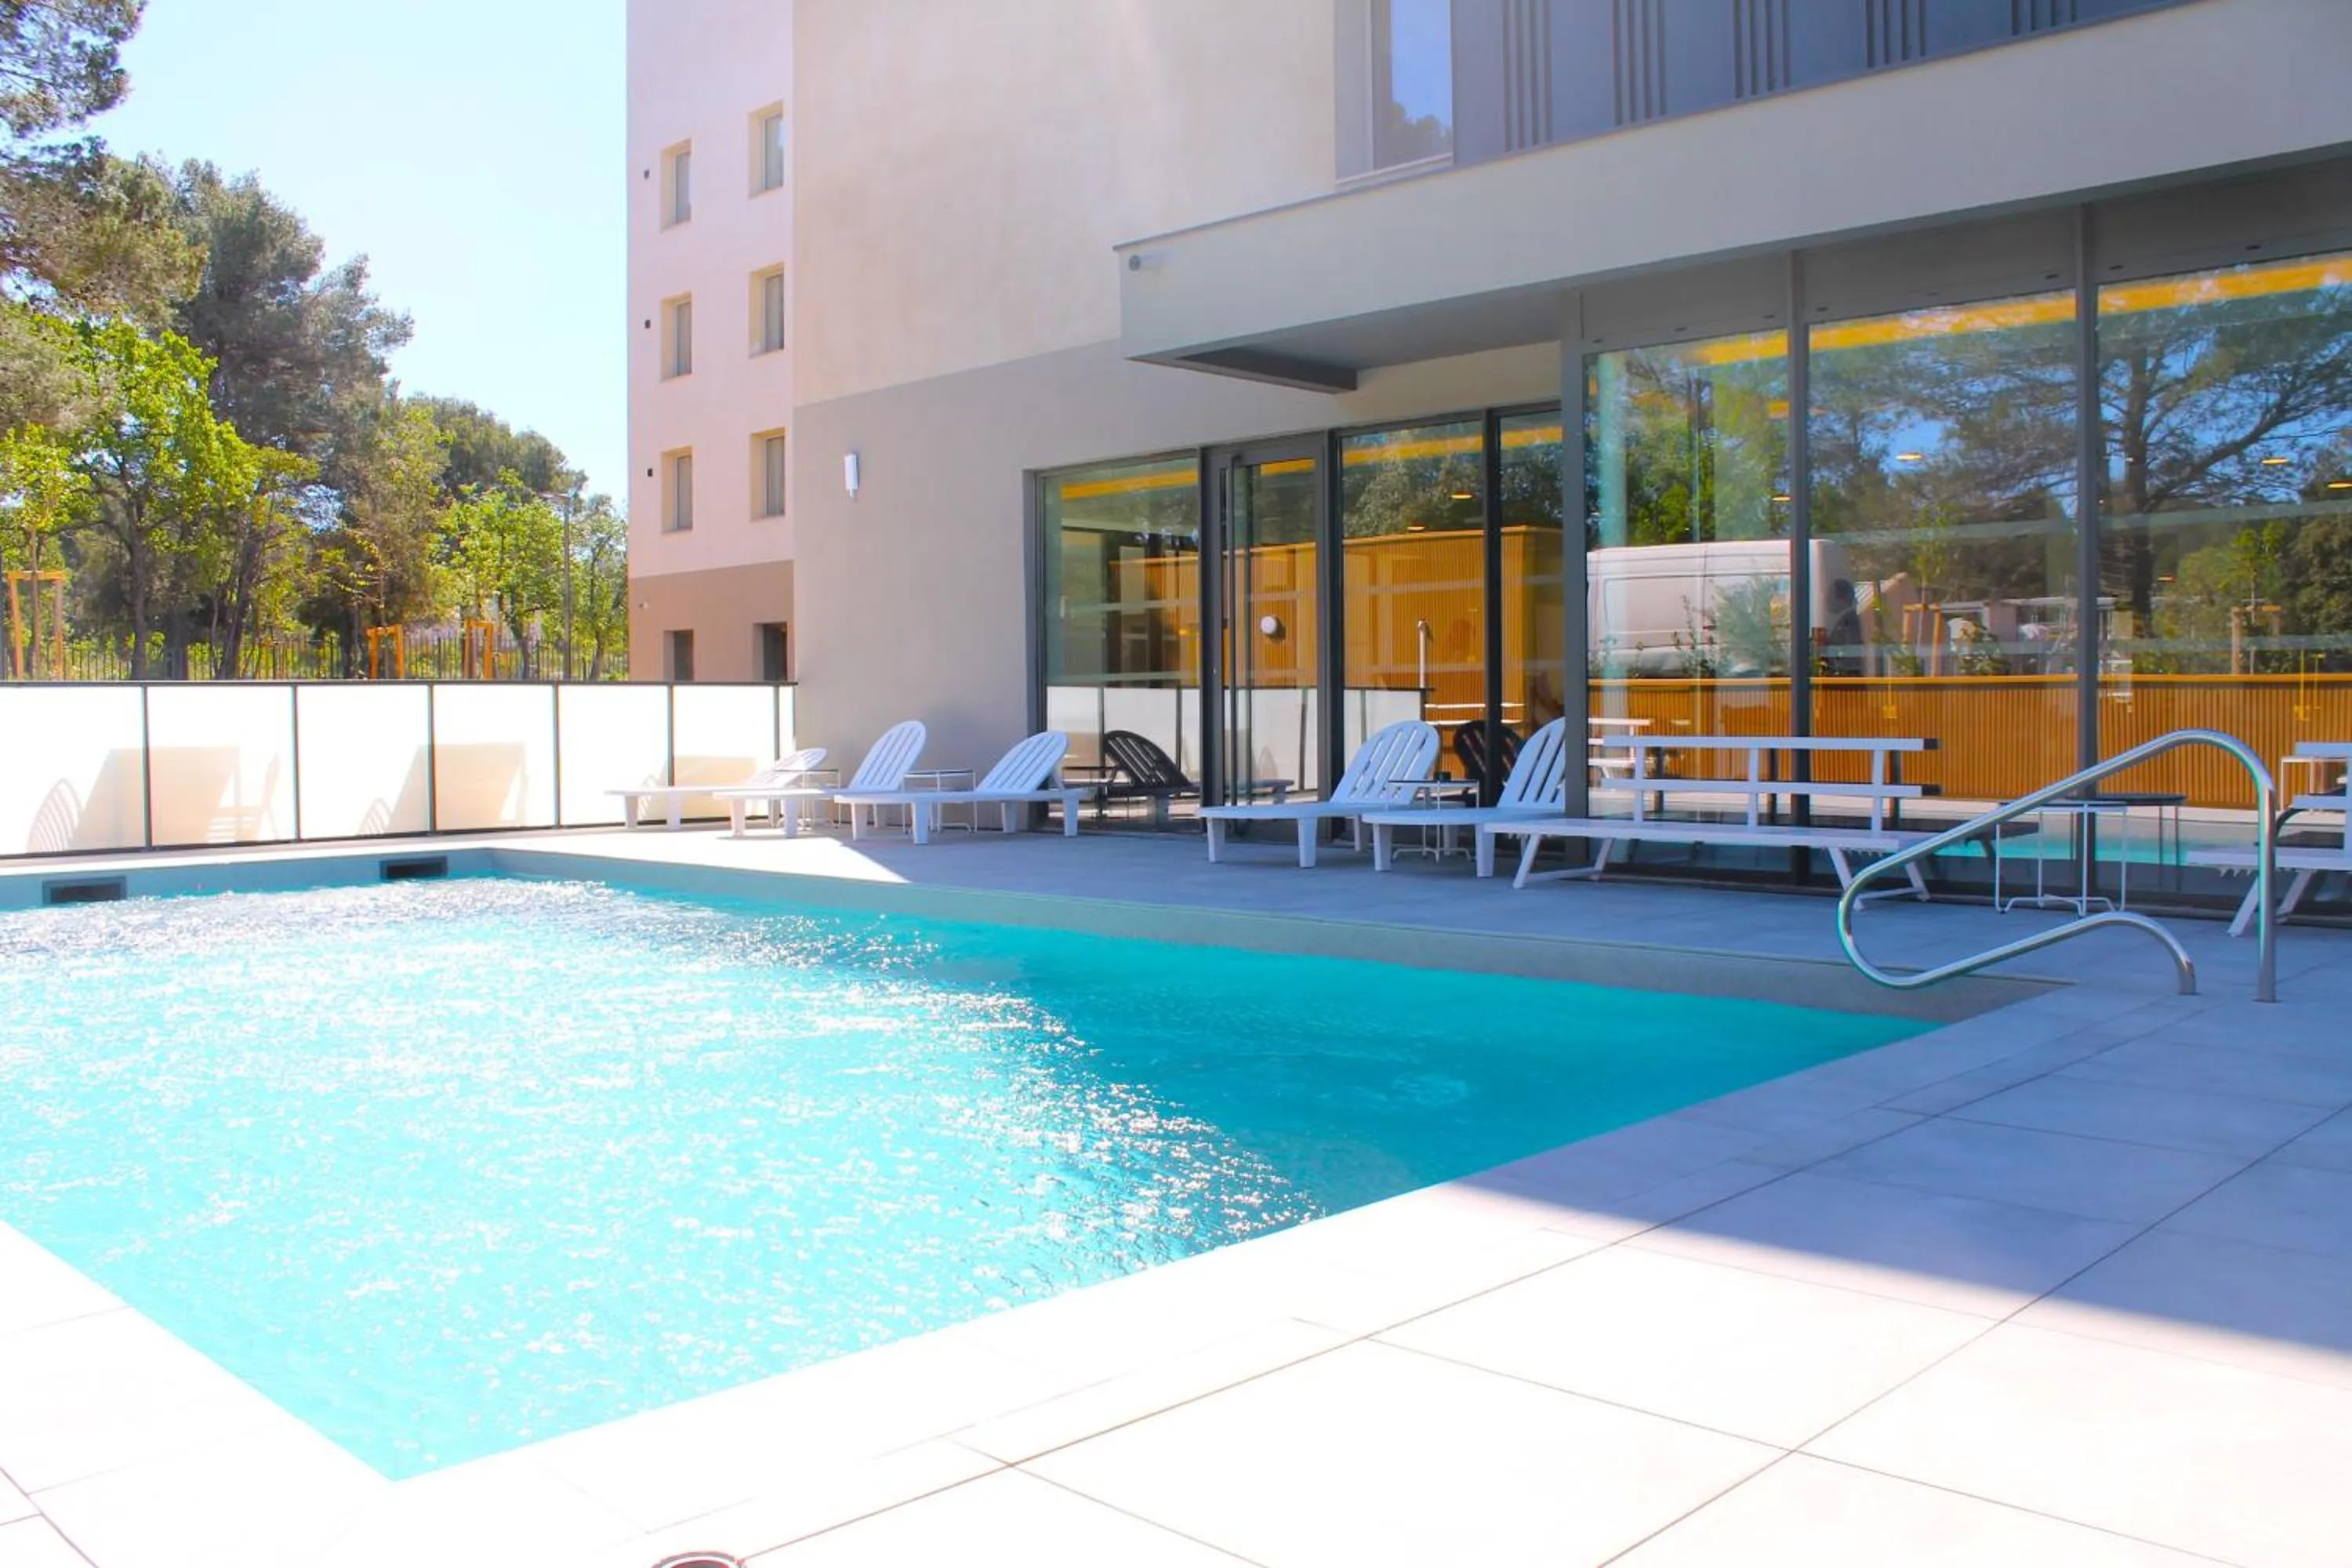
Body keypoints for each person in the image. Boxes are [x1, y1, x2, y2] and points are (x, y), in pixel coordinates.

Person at [1820, 578, 1865, 677]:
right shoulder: (1843, 621)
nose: (1825, 599)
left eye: (1829, 595)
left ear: (1840, 598)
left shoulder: (1849, 622)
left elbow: (1851, 657)